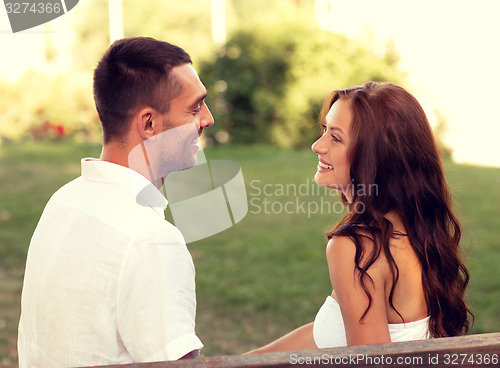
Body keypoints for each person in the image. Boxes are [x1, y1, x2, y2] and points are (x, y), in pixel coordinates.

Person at [18, 37, 214, 367]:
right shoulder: (151, 238)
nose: (207, 119)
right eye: (195, 108)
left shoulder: (64, 201)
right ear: (149, 123)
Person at [248, 82, 472, 352]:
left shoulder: (356, 248)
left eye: (336, 138)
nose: (317, 146)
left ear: (374, 157)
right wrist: (249, 359)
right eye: (324, 130)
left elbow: (370, 361)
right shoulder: (415, 228)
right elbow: (333, 331)